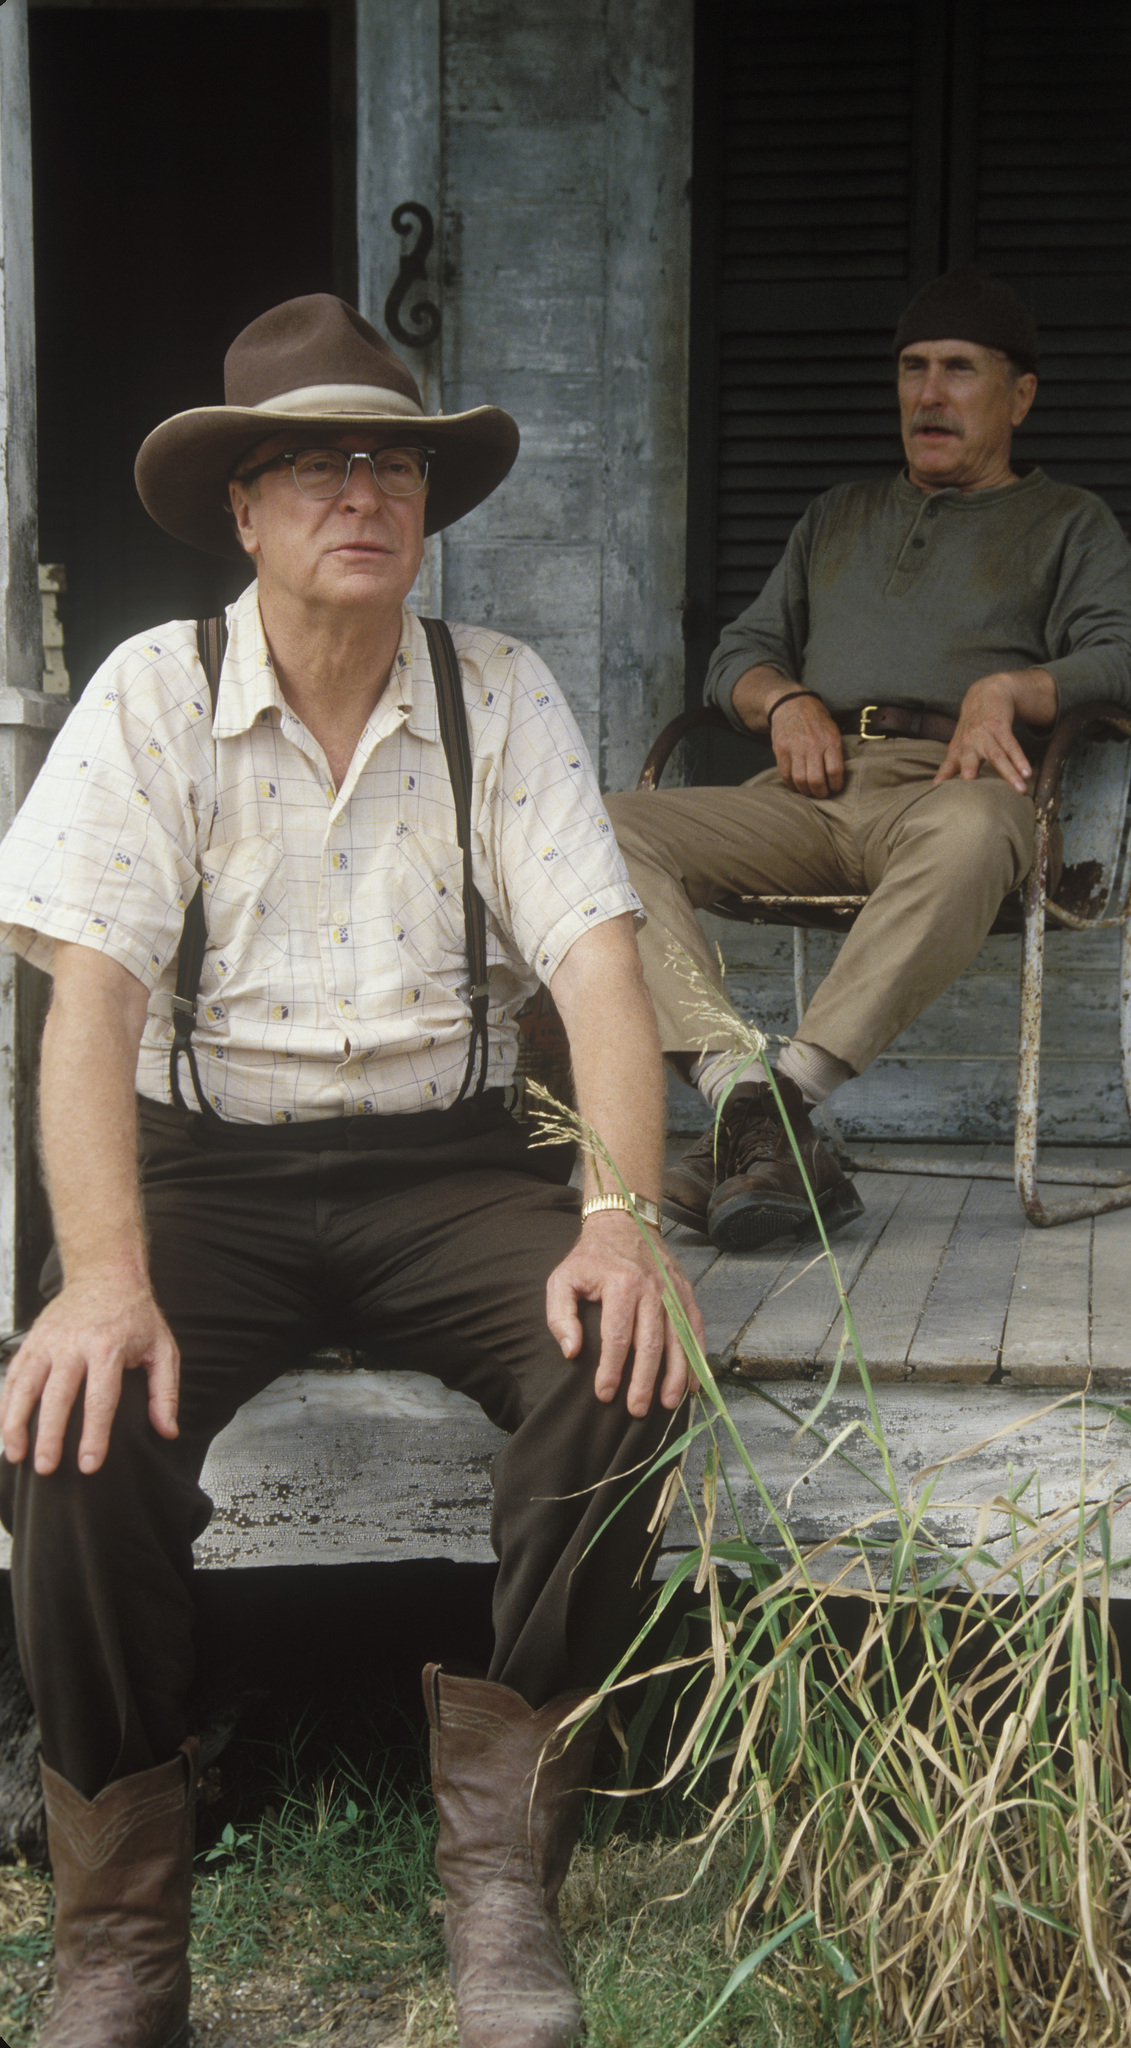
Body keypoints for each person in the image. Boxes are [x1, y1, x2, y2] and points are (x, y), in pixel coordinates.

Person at [0, 294, 700, 2048]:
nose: (359, 492)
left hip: (446, 1165)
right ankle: (117, 1931)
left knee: (616, 1365)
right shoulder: (150, 696)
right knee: (75, 1426)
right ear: (243, 508)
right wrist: (102, 1276)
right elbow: (85, 1011)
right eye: (311, 462)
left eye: (387, 459)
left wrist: (617, 1217)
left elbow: (599, 969)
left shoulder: (497, 691)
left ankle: (504, 1878)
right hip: (206, 1173)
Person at [607, 268, 1131, 1253]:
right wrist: (782, 702)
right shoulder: (838, 516)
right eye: (914, 369)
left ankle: (783, 1105)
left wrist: (1012, 688)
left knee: (977, 827)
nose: (930, 393)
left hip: (949, 794)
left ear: (1020, 396)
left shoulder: (1067, 522)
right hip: (808, 795)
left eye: (959, 370)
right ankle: (745, 1096)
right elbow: (736, 654)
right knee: (596, 828)